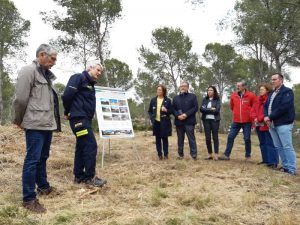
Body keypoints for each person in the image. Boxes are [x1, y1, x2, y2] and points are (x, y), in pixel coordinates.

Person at [14, 44, 61, 213]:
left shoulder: (47, 76)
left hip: (47, 124)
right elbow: (20, 99)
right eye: (52, 58)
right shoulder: (29, 71)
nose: (54, 62)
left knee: (43, 157)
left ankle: (43, 187)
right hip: (34, 123)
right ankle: (28, 199)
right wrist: (19, 120)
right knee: (32, 159)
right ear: (42, 55)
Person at [62, 62, 107, 187]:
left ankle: (78, 177)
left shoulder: (90, 85)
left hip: (84, 119)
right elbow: (66, 95)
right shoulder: (78, 78)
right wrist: (67, 111)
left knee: (82, 146)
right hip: (79, 120)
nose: (99, 73)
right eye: (98, 70)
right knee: (90, 145)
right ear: (90, 68)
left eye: (100, 72)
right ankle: (90, 178)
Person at [264, 73, 297, 175]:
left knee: (287, 146)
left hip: (284, 123)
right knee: (278, 146)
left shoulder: (287, 92)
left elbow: (284, 107)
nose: (272, 81)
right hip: (272, 124)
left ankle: (291, 169)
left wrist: (270, 117)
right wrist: (266, 117)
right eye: (272, 79)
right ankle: (285, 166)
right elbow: (265, 106)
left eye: (275, 79)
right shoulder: (271, 93)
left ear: (281, 80)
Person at [219, 81, 256, 161]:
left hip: (247, 122)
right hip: (236, 121)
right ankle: (226, 155)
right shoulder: (233, 95)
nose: (237, 87)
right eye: (237, 86)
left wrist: (251, 117)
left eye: (239, 86)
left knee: (247, 138)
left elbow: (254, 107)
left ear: (244, 86)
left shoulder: (251, 95)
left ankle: (248, 156)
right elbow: (232, 107)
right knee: (230, 137)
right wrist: (237, 114)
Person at [251, 83, 278, 168]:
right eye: (260, 89)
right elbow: (253, 110)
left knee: (270, 143)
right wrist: (254, 118)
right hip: (258, 124)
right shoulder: (257, 99)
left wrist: (259, 118)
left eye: (262, 89)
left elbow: (268, 111)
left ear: (267, 90)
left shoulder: (269, 99)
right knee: (262, 143)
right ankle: (265, 160)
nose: (260, 91)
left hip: (266, 124)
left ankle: (273, 162)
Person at [172, 81, 199, 160]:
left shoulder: (193, 96)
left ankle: (193, 155)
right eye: (181, 86)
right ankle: (180, 155)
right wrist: (178, 115)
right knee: (180, 139)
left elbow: (195, 107)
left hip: (189, 121)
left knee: (191, 139)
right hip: (179, 121)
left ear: (188, 87)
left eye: (184, 86)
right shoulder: (175, 98)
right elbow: (173, 109)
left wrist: (186, 114)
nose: (182, 87)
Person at [148, 85, 173, 160]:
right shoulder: (153, 100)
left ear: (163, 91)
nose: (158, 91)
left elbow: (171, 111)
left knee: (165, 139)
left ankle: (166, 154)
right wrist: (152, 118)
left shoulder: (168, 100)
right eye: (158, 90)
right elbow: (149, 111)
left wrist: (166, 110)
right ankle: (159, 154)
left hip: (165, 122)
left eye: (160, 90)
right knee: (157, 139)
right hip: (156, 123)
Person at [200, 86, 221, 160]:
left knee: (215, 137)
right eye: (208, 90)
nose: (209, 91)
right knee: (208, 138)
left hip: (215, 121)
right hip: (206, 121)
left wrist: (207, 109)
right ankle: (209, 154)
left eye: (211, 90)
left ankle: (216, 154)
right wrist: (211, 109)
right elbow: (201, 109)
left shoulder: (217, 100)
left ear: (214, 91)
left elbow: (217, 110)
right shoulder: (205, 100)